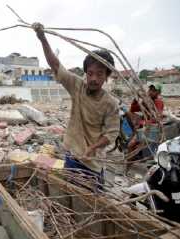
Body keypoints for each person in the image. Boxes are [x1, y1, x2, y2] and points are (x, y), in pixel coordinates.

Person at [33, 23, 120, 184]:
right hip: (72, 156)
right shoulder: (77, 86)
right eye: (90, 73)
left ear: (107, 76)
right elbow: (56, 65)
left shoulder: (110, 103)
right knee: (69, 198)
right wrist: (42, 38)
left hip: (92, 163)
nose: (94, 78)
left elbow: (112, 134)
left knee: (91, 203)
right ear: (86, 73)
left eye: (100, 74)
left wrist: (92, 148)